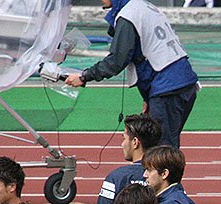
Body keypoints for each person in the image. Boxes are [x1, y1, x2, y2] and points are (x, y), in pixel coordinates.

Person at [65, 0, 199, 150]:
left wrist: (84, 76)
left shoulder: (128, 15)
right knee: (163, 146)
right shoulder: (144, 6)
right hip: (182, 83)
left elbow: (117, 60)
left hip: (167, 88)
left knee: (161, 150)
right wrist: (148, 97)